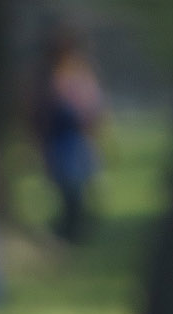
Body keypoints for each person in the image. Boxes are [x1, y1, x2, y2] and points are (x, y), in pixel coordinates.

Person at [31, 21, 103, 244]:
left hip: (75, 138)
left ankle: (74, 232)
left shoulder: (79, 71)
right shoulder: (46, 76)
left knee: (77, 188)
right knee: (66, 188)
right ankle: (68, 233)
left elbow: (92, 107)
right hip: (59, 138)